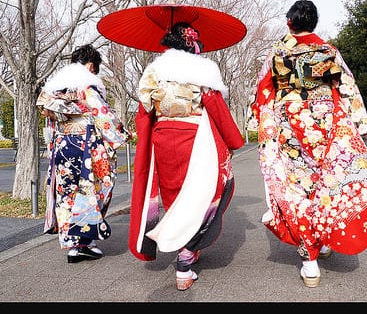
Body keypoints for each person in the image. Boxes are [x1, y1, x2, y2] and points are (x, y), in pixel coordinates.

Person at [251, 0, 367, 288]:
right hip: (326, 126)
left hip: (289, 125)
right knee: (326, 184)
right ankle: (321, 241)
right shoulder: (328, 52)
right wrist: (358, 124)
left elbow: (263, 91)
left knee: (297, 188)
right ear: (314, 23)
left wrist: (261, 125)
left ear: (289, 23)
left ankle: (309, 261)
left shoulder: (277, 54)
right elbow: (347, 86)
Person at [128, 22, 245, 291]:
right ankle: (185, 258)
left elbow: (144, 111)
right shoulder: (202, 70)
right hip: (195, 138)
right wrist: (233, 139)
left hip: (163, 136)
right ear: (192, 42)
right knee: (200, 196)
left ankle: (182, 253)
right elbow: (214, 104)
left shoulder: (155, 70)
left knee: (174, 197)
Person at [37, 44, 130, 263]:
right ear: (91, 65)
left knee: (66, 193)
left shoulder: (53, 89)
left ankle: (73, 245)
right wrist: (122, 133)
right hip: (86, 146)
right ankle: (85, 242)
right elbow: (102, 116)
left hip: (62, 145)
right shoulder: (87, 86)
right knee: (95, 187)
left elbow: (49, 121)